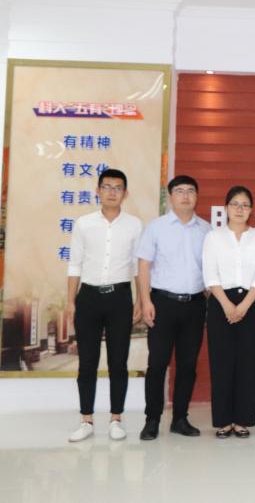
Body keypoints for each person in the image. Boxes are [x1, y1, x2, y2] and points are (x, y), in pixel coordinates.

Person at [66, 169, 143, 443]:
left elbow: (137, 266)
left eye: (117, 187)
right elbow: (74, 264)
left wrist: (141, 299)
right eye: (107, 186)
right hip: (88, 297)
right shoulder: (83, 224)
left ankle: (116, 419)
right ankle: (86, 420)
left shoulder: (134, 225)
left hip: (120, 298)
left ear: (125, 193)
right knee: (87, 362)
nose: (112, 192)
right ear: (97, 190)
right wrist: (70, 301)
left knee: (118, 362)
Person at [136, 174, 212, 440]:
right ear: (170, 197)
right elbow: (143, 266)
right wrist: (146, 301)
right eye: (179, 191)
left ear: (196, 196)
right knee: (157, 364)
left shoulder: (207, 230)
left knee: (188, 365)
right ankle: (152, 419)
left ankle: (180, 418)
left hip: (195, 305)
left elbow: (211, 270)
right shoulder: (156, 228)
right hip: (162, 304)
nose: (185, 196)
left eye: (190, 191)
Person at [202, 186, 255, 438]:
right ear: (226, 208)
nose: (240, 209)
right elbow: (210, 275)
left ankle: (242, 420)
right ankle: (223, 421)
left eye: (245, 205)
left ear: (251, 209)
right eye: (235, 204)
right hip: (221, 302)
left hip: (250, 303)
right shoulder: (214, 237)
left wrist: (242, 306)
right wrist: (228, 305)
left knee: (246, 363)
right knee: (221, 363)